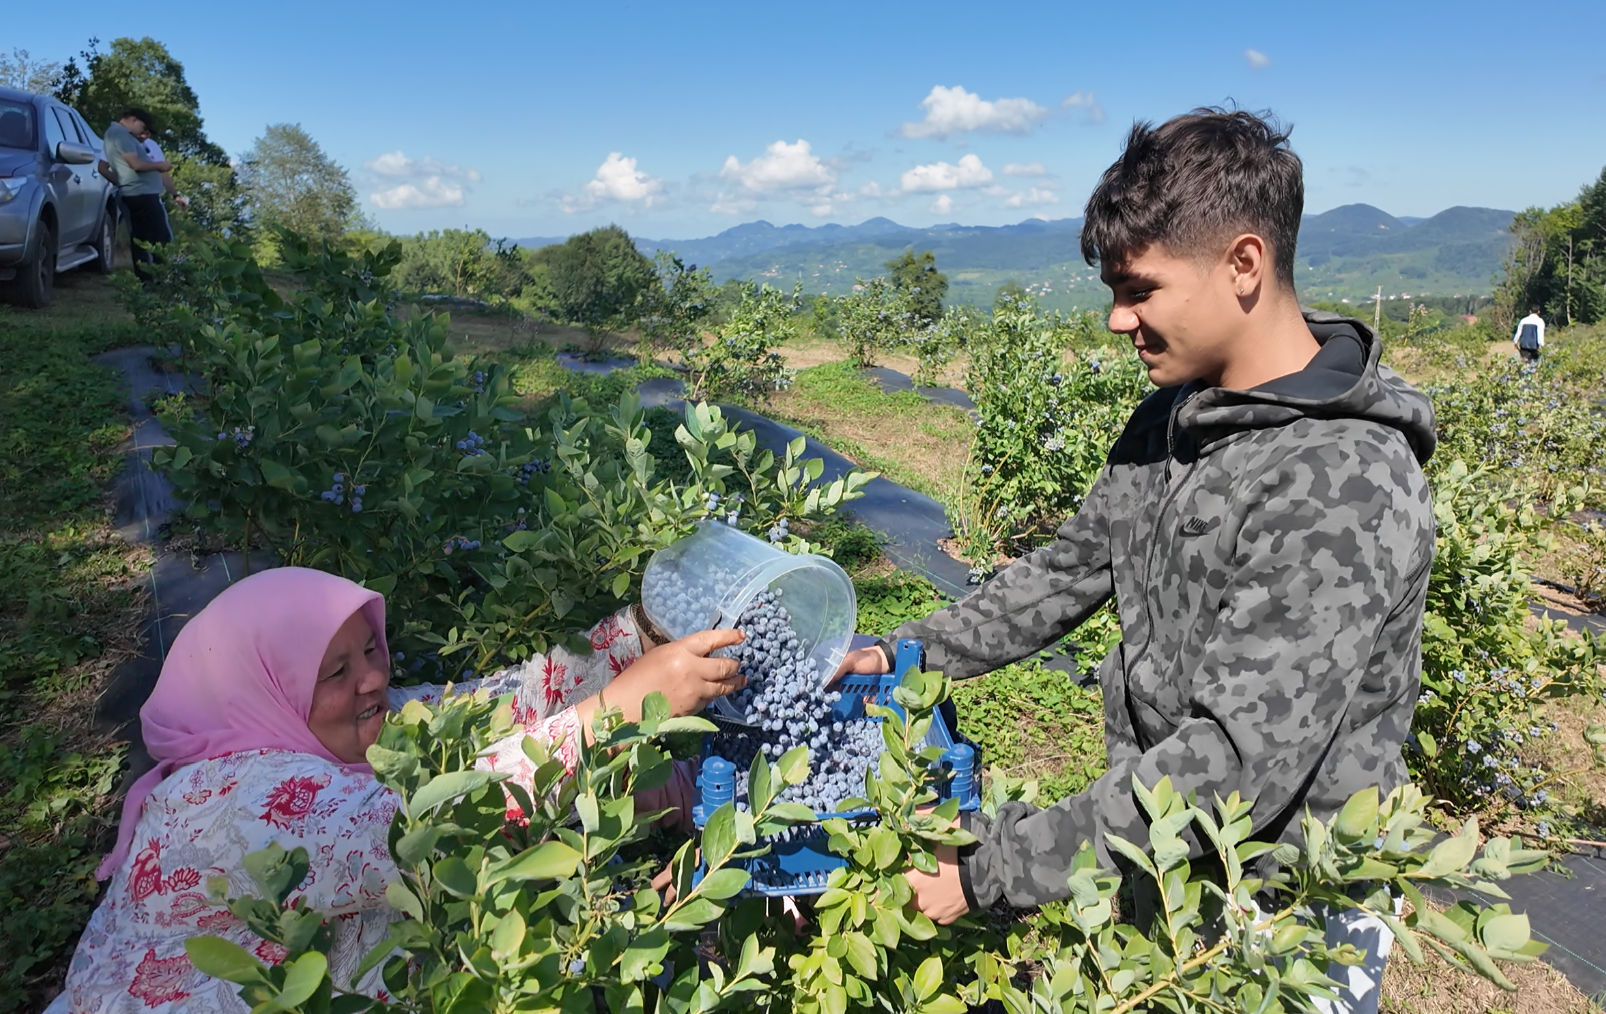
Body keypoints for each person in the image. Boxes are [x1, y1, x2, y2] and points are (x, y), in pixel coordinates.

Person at [836, 108, 1436, 1014]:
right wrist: (900, 650)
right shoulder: (1174, 419)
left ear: (1244, 265)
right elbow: (1067, 571)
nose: (1119, 320)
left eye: (1140, 289)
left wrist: (992, 870)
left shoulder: (1341, 481)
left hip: (1282, 912)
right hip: (1163, 862)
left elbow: (1230, 761)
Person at [50, 567, 744, 1012]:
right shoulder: (223, 800)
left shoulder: (330, 732)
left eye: (371, 650)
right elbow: (424, 823)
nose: (373, 679)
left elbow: (496, 704)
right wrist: (619, 711)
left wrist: (647, 635)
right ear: (270, 682)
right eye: (336, 670)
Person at [100, 108, 173, 278]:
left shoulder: (116, 134)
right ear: (133, 120)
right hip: (143, 195)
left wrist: (123, 182)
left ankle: (148, 281)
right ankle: (163, 280)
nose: (143, 131)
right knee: (160, 239)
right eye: (143, 126)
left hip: (135, 193)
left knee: (141, 238)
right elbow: (136, 164)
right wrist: (159, 166)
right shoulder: (121, 134)